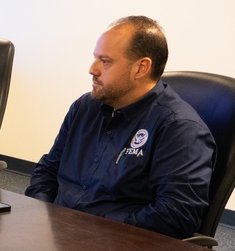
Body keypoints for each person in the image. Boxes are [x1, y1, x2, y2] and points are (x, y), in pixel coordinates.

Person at [25, 16, 215, 238]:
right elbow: (47, 171)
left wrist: (95, 232)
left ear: (141, 68)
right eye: (95, 58)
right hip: (60, 236)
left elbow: (176, 214)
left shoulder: (179, 127)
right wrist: (43, 214)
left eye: (105, 61)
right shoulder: (85, 107)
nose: (92, 69)